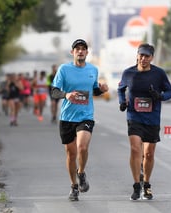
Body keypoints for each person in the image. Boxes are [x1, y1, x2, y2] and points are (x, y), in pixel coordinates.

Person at [51, 39, 108, 201]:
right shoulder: (64, 69)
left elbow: (94, 90)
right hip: (67, 117)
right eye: (77, 49)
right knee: (70, 153)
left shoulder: (93, 69)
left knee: (82, 147)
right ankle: (73, 186)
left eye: (83, 49)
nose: (80, 51)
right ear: (72, 52)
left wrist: (101, 90)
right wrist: (66, 95)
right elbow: (54, 91)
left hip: (86, 116)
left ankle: (81, 173)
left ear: (87, 53)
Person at [117, 43, 171, 200]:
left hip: (152, 117)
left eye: (147, 56)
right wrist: (122, 102)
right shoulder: (128, 73)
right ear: (137, 55)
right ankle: (136, 185)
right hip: (134, 116)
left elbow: (170, 92)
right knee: (136, 149)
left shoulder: (159, 74)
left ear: (152, 58)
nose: (143, 59)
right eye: (141, 55)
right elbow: (121, 89)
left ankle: (146, 185)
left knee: (148, 154)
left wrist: (159, 96)